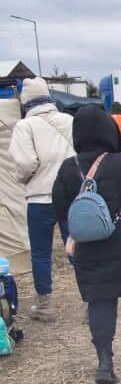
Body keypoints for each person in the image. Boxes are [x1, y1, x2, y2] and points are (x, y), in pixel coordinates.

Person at [51, 106, 121, 384]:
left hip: (89, 247)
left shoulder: (68, 167)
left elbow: (60, 207)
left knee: (100, 302)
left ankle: (105, 362)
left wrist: (77, 232)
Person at [8, 77, 75, 322]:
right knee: (78, 247)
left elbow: (25, 163)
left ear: (25, 100)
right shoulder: (68, 120)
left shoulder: (25, 126)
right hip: (70, 195)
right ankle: (91, 300)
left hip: (39, 198)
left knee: (40, 253)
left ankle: (45, 305)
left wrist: (24, 179)